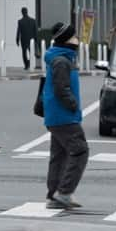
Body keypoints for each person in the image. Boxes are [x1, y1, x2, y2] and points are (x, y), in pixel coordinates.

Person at [40, 22, 89, 210]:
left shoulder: (61, 58)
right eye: (74, 37)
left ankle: (54, 195)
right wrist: (73, 104)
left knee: (59, 155)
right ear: (66, 40)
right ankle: (65, 193)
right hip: (64, 115)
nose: (77, 40)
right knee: (80, 151)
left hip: (56, 115)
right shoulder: (61, 61)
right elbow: (62, 89)